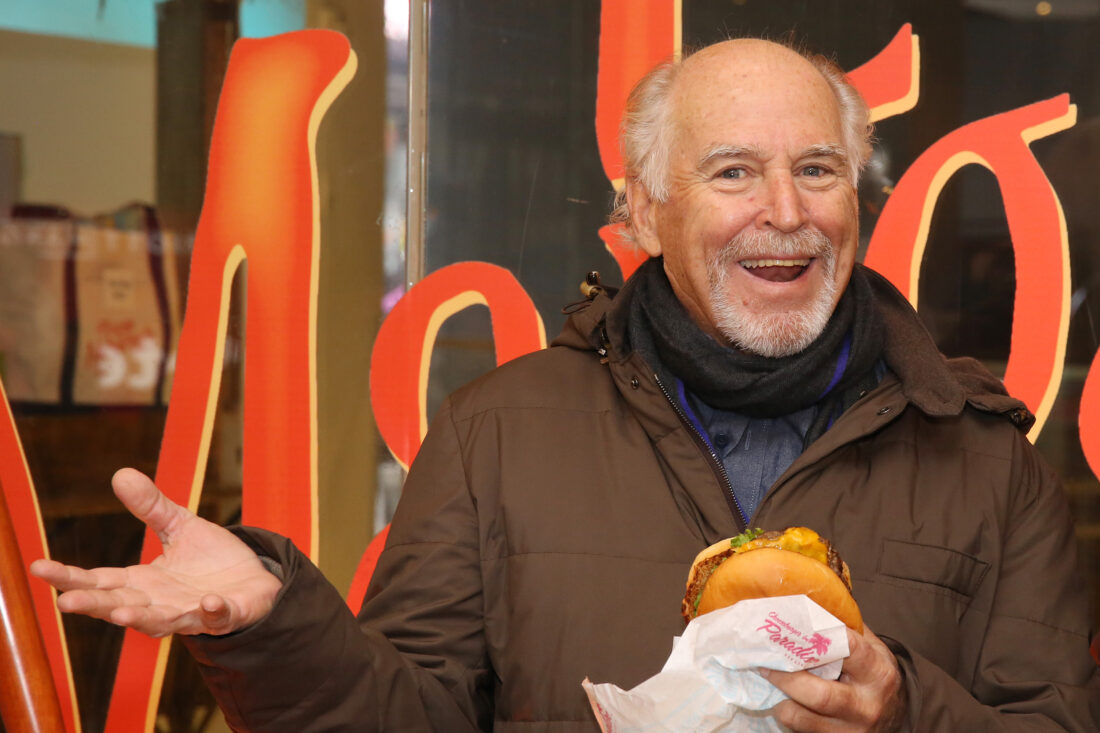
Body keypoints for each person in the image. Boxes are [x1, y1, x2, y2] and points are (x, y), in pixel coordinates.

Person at [31, 38, 1100, 732]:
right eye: (732, 170)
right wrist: (271, 620)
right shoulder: (498, 432)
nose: (785, 209)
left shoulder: (985, 464)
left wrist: (903, 709)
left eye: (816, 169)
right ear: (641, 215)